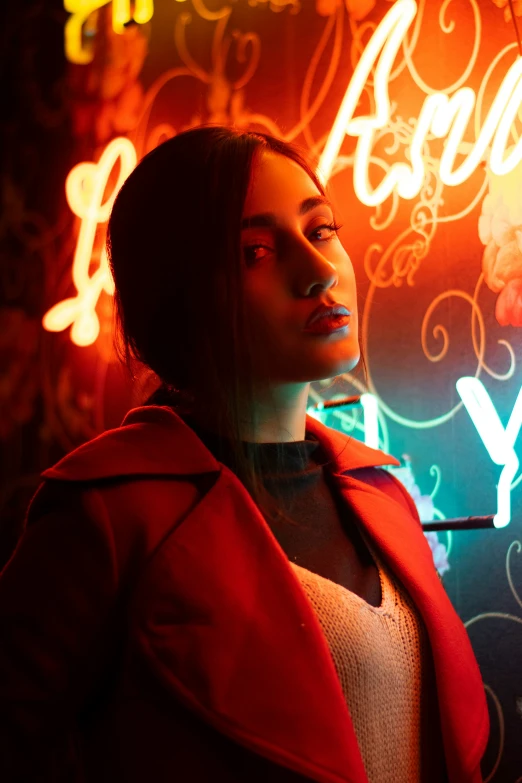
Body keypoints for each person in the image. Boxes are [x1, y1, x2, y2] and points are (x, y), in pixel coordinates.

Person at [0, 126, 488, 783]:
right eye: (255, 251)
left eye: (321, 230)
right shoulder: (112, 516)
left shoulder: (382, 496)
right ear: (177, 295)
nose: (318, 271)